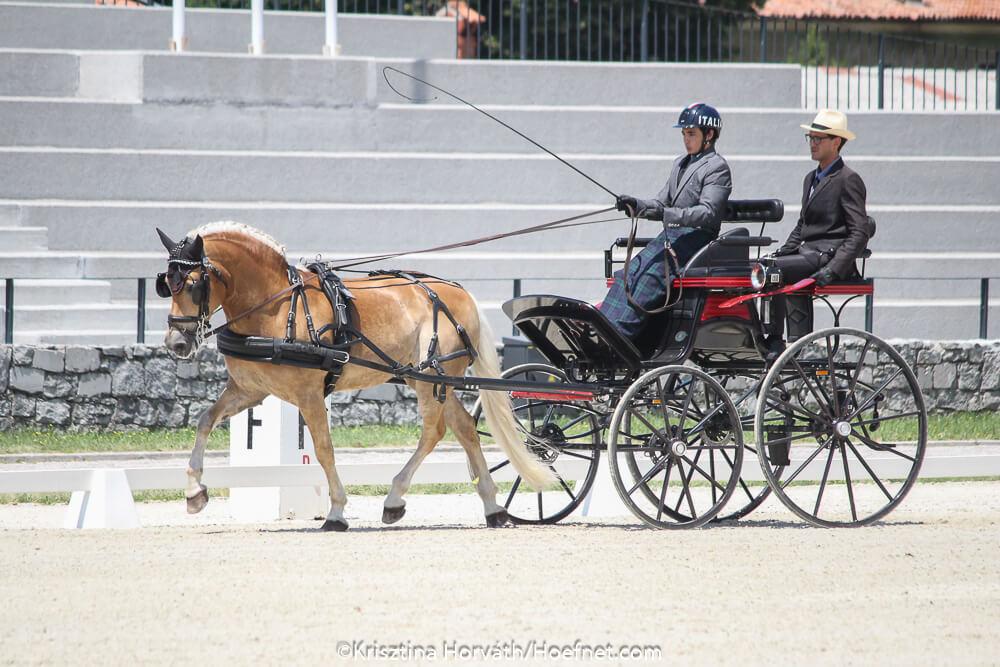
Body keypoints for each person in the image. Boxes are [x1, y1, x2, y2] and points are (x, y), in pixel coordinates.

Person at [601, 103, 733, 340]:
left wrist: (668, 215)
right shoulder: (680, 164)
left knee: (650, 278)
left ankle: (620, 335)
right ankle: (605, 330)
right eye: (684, 134)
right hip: (671, 239)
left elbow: (709, 213)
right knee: (627, 273)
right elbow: (661, 203)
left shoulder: (717, 167)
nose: (686, 139)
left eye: (691, 133)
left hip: (696, 241)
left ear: (709, 134)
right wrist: (636, 205)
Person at [763, 108, 870, 359]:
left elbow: (859, 231)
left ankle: (776, 339)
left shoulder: (848, 179)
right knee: (766, 265)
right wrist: (781, 252)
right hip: (806, 253)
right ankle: (778, 334)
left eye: (818, 139)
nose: (812, 143)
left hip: (826, 255)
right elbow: (802, 225)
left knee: (775, 269)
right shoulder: (810, 178)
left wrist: (834, 268)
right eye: (810, 138)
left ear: (836, 142)